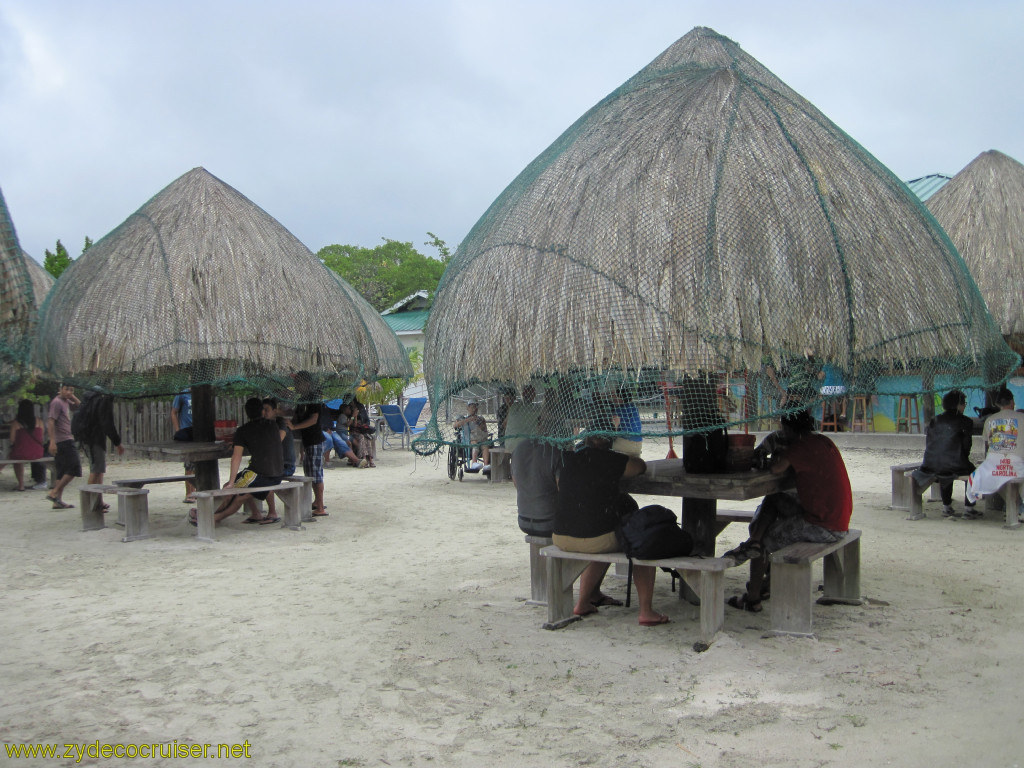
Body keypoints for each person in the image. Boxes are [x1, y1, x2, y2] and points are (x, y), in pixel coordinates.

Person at [724, 409, 852, 612]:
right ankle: (755, 547)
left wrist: (773, 458)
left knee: (765, 538)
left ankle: (753, 598)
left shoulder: (798, 448)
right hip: (837, 516)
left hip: (824, 525)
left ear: (788, 428)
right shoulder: (823, 441)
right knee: (775, 499)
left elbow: (776, 468)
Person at [553, 425, 665, 626]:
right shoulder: (609, 459)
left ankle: (585, 601)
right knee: (642, 540)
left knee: (602, 534)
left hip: (560, 536)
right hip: (591, 539)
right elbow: (640, 466)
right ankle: (646, 611)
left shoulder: (569, 459)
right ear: (610, 441)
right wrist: (623, 457)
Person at [188, 397, 284, 526]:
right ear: (262, 411)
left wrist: (232, 482)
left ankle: (212, 518)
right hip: (277, 473)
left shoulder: (243, 430)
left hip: (262, 474)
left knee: (236, 494)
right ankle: (212, 516)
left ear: (247, 413)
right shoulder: (273, 425)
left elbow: (236, 458)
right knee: (234, 490)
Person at [910, 390, 976, 519]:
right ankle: (969, 508)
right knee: (973, 472)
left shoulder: (934, 420)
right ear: (958, 405)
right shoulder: (966, 421)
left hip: (930, 464)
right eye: (964, 403)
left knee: (945, 465)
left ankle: (947, 506)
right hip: (954, 464)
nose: (964, 406)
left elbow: (930, 443)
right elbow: (967, 446)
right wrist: (962, 458)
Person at [966, 388, 1024, 521]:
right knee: (1020, 476)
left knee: (998, 480)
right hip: (1016, 464)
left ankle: (1012, 506)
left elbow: (987, 445)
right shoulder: (1022, 418)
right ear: (1012, 402)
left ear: (998, 405)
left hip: (993, 467)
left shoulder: (989, 420)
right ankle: (1018, 508)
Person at [78, 389, 126, 512]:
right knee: (96, 471)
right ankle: (88, 504)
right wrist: (117, 443)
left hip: (88, 439)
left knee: (99, 470)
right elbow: (107, 424)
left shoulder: (88, 401)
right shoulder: (103, 401)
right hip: (94, 440)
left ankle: (98, 501)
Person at [290, 373, 328, 516]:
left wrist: (295, 427)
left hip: (315, 441)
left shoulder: (314, 399)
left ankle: (320, 507)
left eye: (298, 383)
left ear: (306, 383)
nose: (295, 386)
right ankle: (317, 502)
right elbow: (295, 416)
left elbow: (313, 420)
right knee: (309, 472)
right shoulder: (301, 400)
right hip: (306, 441)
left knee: (316, 474)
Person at [45, 384, 81, 509]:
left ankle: (57, 501)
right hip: (63, 440)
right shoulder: (56, 402)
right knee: (75, 467)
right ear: (60, 389)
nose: (69, 392)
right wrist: (52, 441)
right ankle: (54, 492)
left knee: (61, 471)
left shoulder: (66, 401)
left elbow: (80, 406)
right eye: (66, 389)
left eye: (71, 390)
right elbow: (50, 421)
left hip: (65, 439)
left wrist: (72, 396)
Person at [261, 397, 296, 524]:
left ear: (275, 411)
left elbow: (276, 442)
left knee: (264, 478)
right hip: (274, 465)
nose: (264, 413)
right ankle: (255, 513)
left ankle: (272, 512)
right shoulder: (267, 424)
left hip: (286, 466)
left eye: (267, 410)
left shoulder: (281, 423)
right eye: (262, 410)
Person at [8, 399, 48, 491]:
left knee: (15, 459)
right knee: (16, 456)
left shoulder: (16, 423)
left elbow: (12, 440)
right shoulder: (39, 421)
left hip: (21, 453)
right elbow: (41, 438)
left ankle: (21, 485)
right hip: (38, 452)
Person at [171, 388, 196, 503]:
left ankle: (195, 491)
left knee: (199, 463)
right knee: (189, 464)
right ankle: (189, 493)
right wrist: (178, 430)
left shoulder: (201, 393)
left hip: (199, 431)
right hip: (186, 431)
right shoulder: (182, 394)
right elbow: (174, 412)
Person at [452, 401, 490, 470]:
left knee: (485, 445)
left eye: (475, 407)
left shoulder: (480, 419)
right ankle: (474, 463)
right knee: (475, 443)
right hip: (468, 439)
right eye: (472, 407)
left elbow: (484, 429)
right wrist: (468, 420)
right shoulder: (463, 418)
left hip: (480, 438)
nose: (474, 409)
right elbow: (455, 425)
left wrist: (479, 424)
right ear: (468, 408)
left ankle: (486, 465)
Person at [503, 385, 542, 454]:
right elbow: (541, 425)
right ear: (534, 395)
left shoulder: (513, 406)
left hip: (509, 444)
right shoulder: (536, 409)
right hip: (526, 444)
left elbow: (504, 424)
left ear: (523, 394)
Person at [611, 387, 643, 457]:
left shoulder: (621, 409)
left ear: (620, 398)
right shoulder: (633, 407)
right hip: (638, 443)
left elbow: (615, 422)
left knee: (604, 447)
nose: (612, 398)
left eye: (614, 396)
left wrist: (612, 435)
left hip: (625, 442)